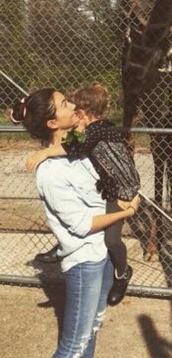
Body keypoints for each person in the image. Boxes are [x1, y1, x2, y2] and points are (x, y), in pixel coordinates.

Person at [11, 88, 140, 358]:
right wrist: (124, 213)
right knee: (72, 347)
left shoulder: (81, 146)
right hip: (85, 263)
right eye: (64, 103)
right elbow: (82, 225)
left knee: (90, 331)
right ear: (52, 123)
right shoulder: (51, 171)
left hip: (101, 254)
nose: (73, 106)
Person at [26, 82, 140, 307]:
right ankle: (63, 246)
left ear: (86, 114)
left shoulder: (99, 128)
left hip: (122, 192)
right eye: (65, 104)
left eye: (74, 108)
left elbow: (73, 148)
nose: (71, 111)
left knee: (112, 239)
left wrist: (44, 152)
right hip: (108, 188)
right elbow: (74, 144)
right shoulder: (89, 130)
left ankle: (122, 273)